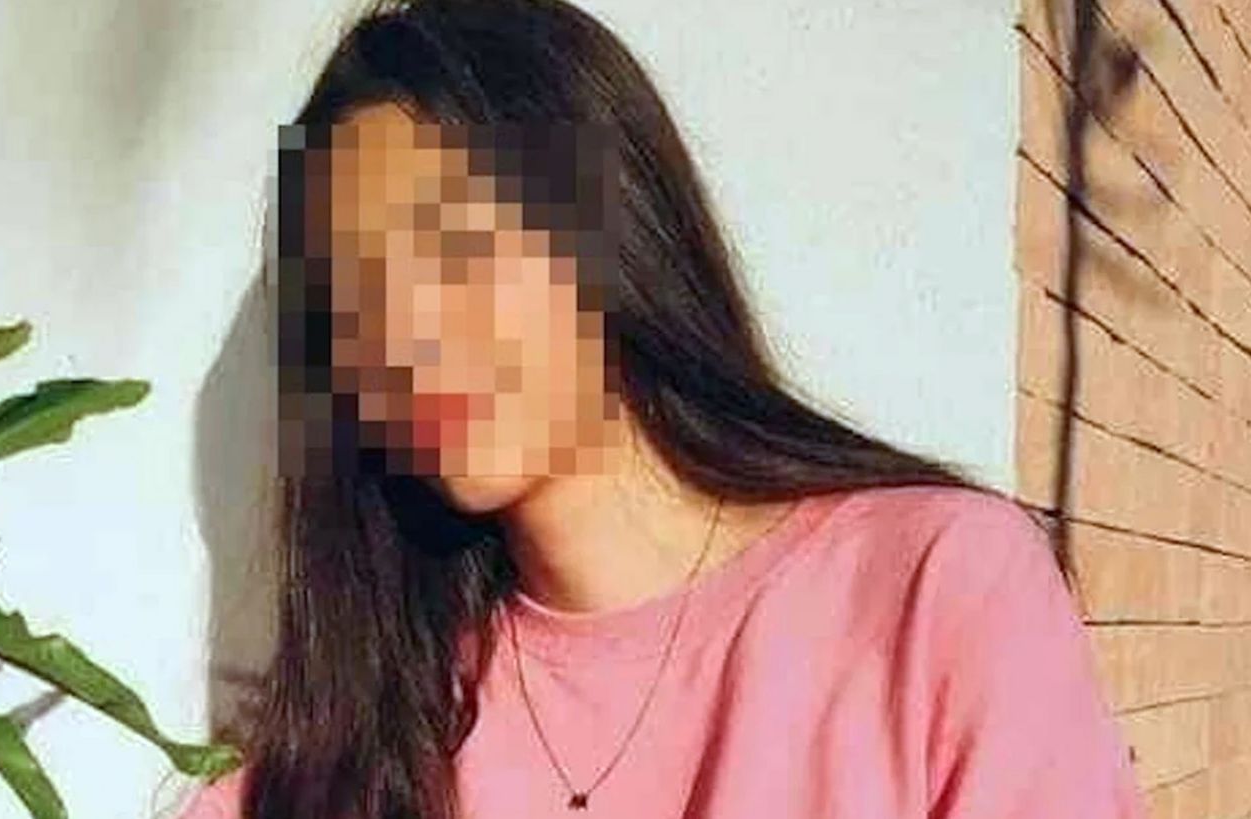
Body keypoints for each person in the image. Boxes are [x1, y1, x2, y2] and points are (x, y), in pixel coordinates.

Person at [180, 0, 1149, 816]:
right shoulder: (363, 743)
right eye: (352, 298)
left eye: (449, 246)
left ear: (612, 224)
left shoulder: (933, 594)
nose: (404, 334)